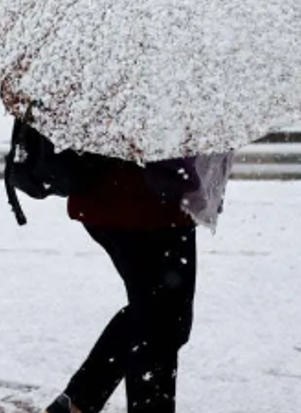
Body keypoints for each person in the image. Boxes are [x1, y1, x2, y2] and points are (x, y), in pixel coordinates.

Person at [44, 155, 203, 413]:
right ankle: (77, 402)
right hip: (139, 202)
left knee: (160, 317)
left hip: (142, 200)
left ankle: (76, 403)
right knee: (160, 323)